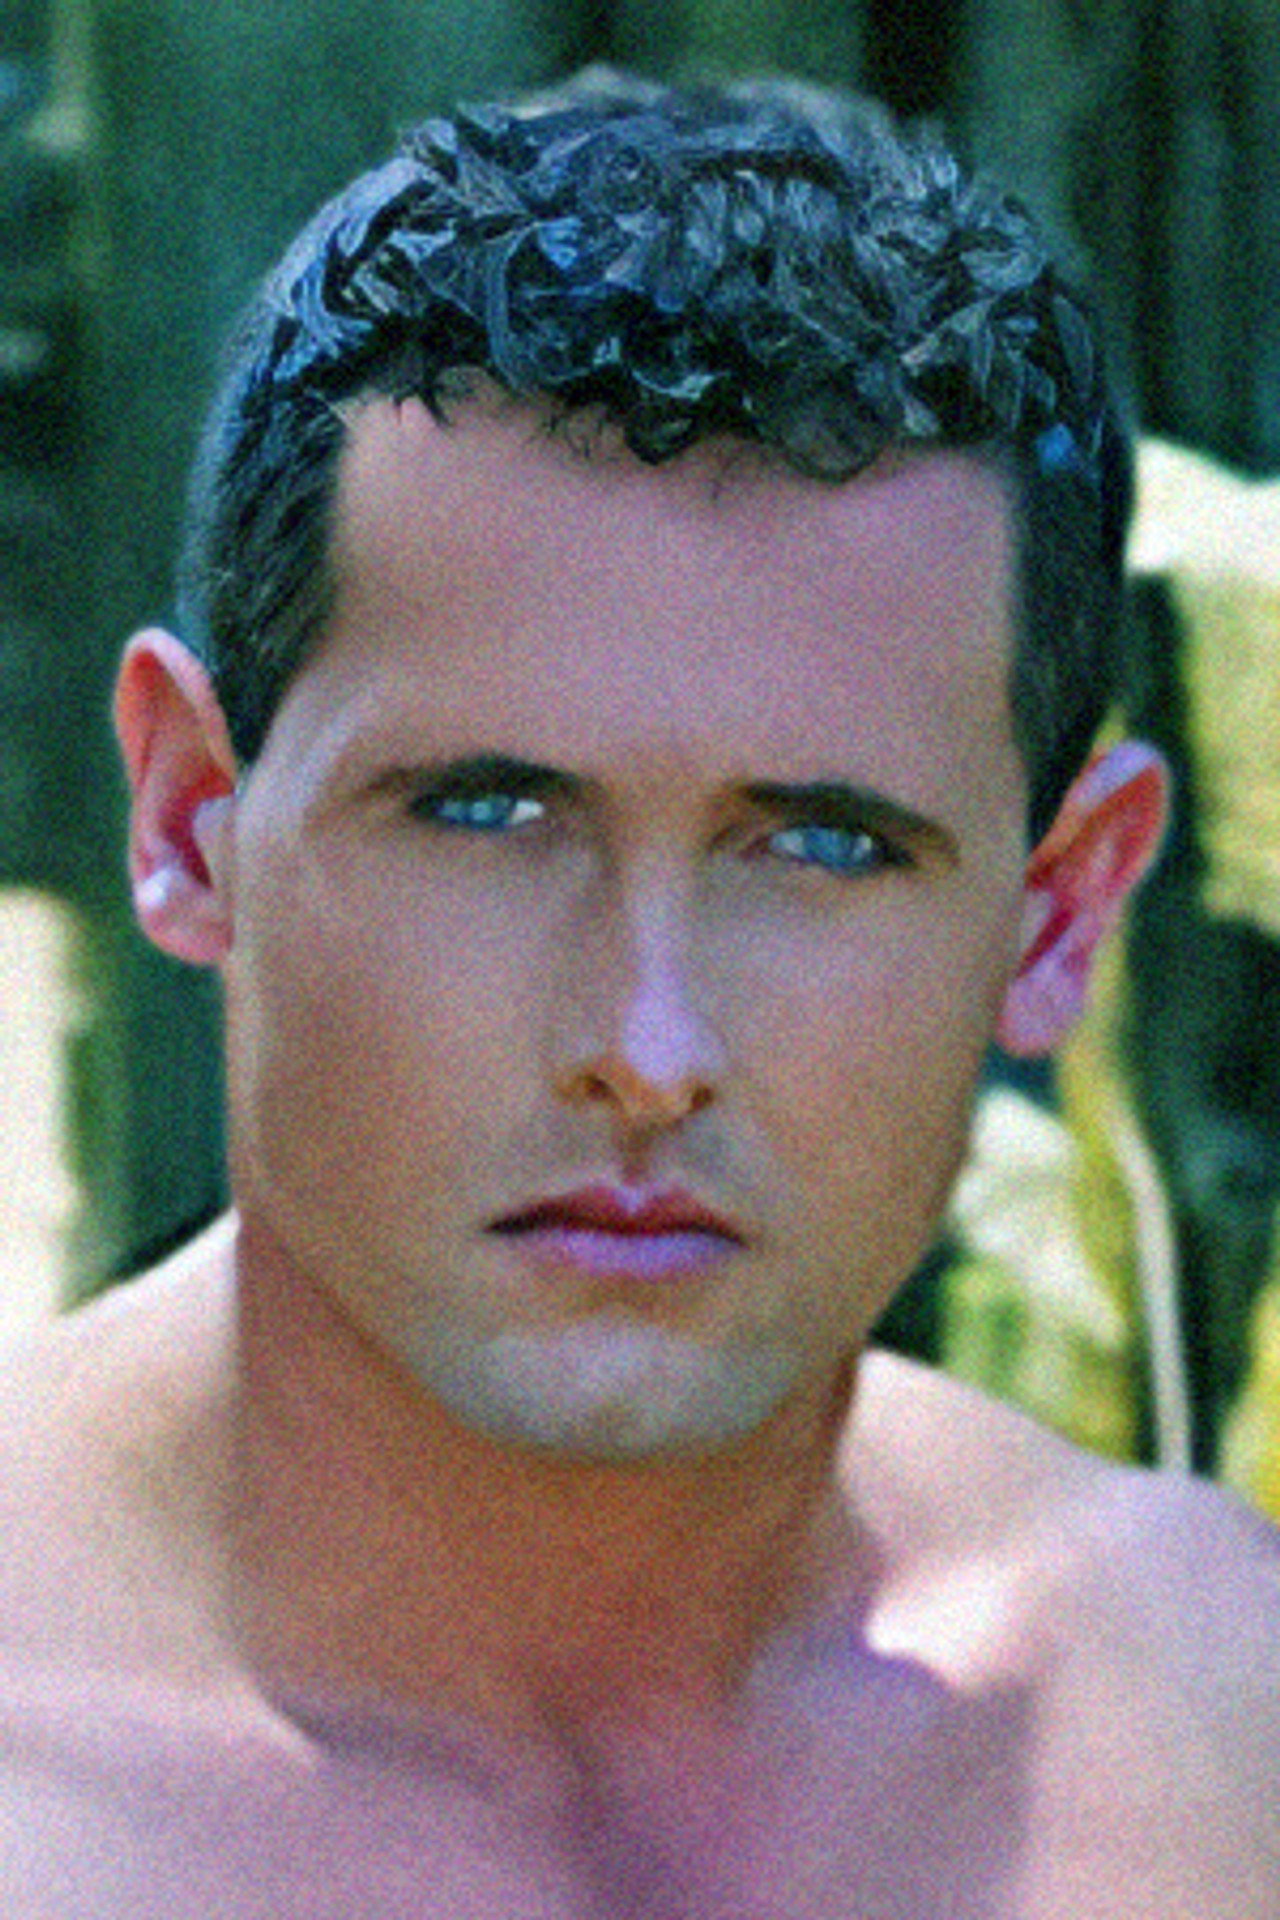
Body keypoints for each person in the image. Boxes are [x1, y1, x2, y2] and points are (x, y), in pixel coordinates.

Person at [2, 69, 1277, 1919]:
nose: (645, 1050)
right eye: (485, 813)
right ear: (192, 818)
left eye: (823, 846)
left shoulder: (1208, 1718)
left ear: (1061, 910)